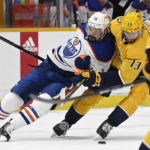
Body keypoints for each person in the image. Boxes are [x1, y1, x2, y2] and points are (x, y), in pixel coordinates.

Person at [0, 12, 115, 142]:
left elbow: (97, 76)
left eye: (96, 31)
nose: (91, 32)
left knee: (43, 103)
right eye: (90, 28)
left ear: (104, 31)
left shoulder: (105, 51)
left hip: (68, 79)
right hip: (48, 65)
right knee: (12, 98)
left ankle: (9, 128)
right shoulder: (83, 29)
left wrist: (88, 75)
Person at [52, 11, 150, 139]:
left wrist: (98, 78)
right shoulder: (116, 25)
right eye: (127, 32)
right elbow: (101, 34)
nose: (129, 36)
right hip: (121, 60)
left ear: (140, 30)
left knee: (139, 94)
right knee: (97, 90)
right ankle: (68, 121)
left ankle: (111, 123)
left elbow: (124, 78)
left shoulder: (140, 48)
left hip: (144, 68)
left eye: (133, 34)